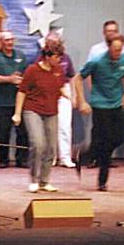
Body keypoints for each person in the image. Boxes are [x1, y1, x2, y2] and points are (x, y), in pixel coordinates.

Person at [75, 33, 124, 191]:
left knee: (118, 139)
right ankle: (102, 181)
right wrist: (82, 101)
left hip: (116, 104)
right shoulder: (96, 61)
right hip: (100, 105)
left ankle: (84, 155)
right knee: (106, 141)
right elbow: (77, 78)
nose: (118, 53)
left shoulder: (123, 58)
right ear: (108, 47)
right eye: (115, 50)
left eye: (120, 49)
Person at [12, 40, 66, 193]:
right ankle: (34, 179)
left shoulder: (58, 71)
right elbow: (21, 91)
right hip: (33, 110)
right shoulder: (32, 70)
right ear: (47, 57)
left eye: (60, 57)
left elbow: (60, 87)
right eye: (56, 57)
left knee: (51, 147)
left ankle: (44, 180)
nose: (59, 60)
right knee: (38, 143)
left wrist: (70, 96)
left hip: (51, 111)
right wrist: (17, 114)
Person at [84, 20, 124, 168]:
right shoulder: (96, 52)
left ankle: (94, 156)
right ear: (104, 33)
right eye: (109, 31)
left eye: (114, 30)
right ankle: (96, 160)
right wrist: (92, 92)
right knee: (100, 134)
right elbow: (86, 74)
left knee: (116, 137)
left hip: (116, 98)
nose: (111, 33)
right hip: (100, 99)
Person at [0, 31, 29, 169]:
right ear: (1, 42)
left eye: (12, 39)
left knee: (23, 132)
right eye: (7, 40)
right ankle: (3, 159)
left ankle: (22, 159)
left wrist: (20, 80)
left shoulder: (21, 56)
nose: (10, 42)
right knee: (3, 132)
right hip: (2, 101)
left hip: (20, 101)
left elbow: (27, 75)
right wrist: (9, 79)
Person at [44, 32, 77, 168]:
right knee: (49, 127)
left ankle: (65, 157)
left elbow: (72, 77)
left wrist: (74, 95)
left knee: (64, 126)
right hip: (47, 92)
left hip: (64, 90)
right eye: (51, 42)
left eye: (57, 42)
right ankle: (50, 157)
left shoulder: (66, 58)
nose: (55, 44)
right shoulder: (39, 58)